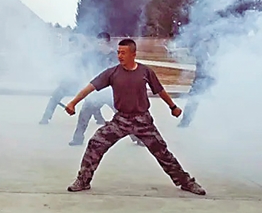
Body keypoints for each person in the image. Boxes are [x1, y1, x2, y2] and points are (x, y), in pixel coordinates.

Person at [64, 38, 206, 195]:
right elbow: (90, 88)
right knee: (96, 143)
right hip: (121, 120)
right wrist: (73, 103)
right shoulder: (112, 73)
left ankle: (186, 182)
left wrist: (173, 107)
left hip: (143, 120)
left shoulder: (145, 72)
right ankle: (83, 180)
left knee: (163, 153)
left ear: (133, 54)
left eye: (123, 53)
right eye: (118, 52)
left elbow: (160, 90)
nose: (119, 56)